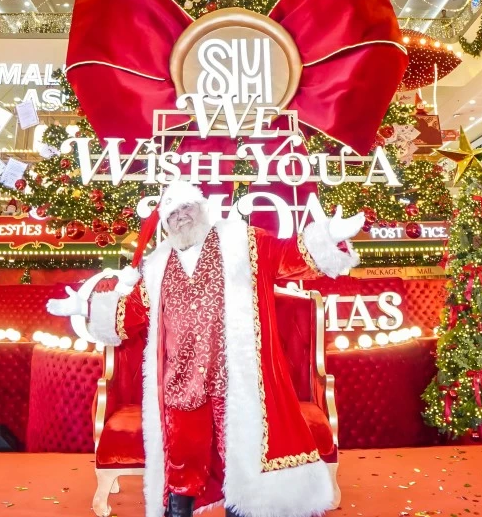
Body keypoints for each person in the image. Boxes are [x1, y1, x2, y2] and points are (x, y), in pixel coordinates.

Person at [48, 181, 363, 517]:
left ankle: (243, 509)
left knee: (241, 458)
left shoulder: (241, 241)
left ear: (201, 209)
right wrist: (86, 308)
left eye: (187, 208)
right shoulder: (155, 267)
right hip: (180, 383)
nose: (181, 217)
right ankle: (178, 510)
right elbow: (133, 312)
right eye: (172, 214)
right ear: (165, 224)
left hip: (236, 382)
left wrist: (328, 237)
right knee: (183, 460)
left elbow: (288, 257)